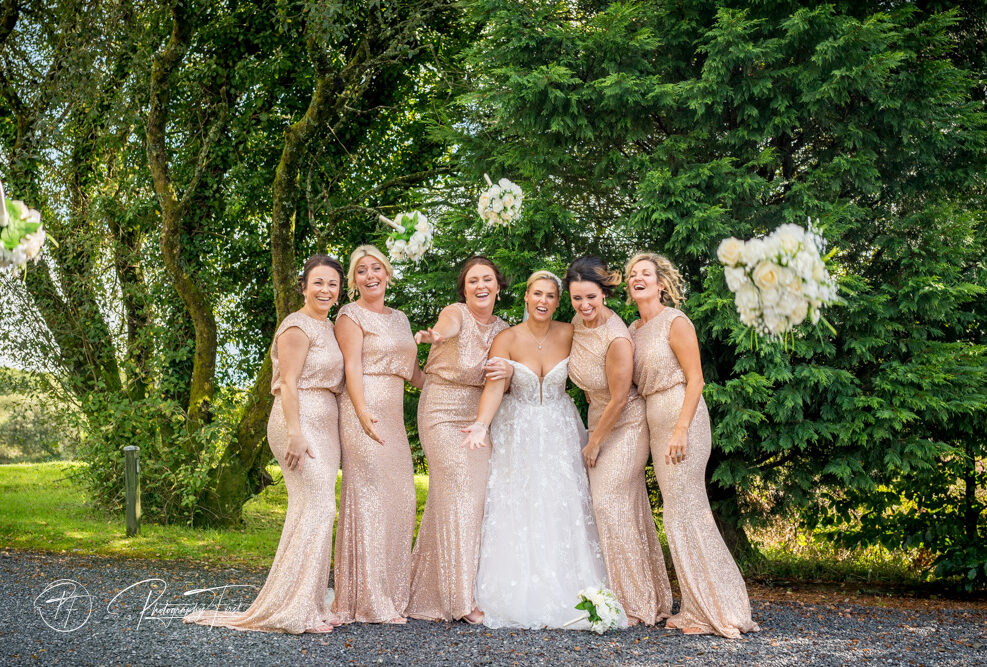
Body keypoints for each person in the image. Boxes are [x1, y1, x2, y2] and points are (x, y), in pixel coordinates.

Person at [184, 255, 346, 634]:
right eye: (318, 282)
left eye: (333, 284)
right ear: (303, 286)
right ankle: (293, 607)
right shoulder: (296, 326)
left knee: (314, 508)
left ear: (339, 291)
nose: (325, 290)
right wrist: (295, 432)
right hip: (298, 423)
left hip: (325, 425)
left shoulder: (330, 327)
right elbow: (288, 383)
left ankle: (306, 600)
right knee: (319, 507)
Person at [464, 270, 619, 630]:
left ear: (557, 301)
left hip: (559, 428)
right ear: (526, 297)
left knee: (560, 502)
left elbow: (603, 339)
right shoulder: (506, 338)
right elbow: (493, 388)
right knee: (516, 502)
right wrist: (481, 425)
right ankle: (513, 589)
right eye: (537, 294)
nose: (543, 301)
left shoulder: (571, 332)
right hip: (516, 430)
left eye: (551, 296)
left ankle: (569, 586)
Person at [626, 251, 760, 638]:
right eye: (633, 274)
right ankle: (701, 604)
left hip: (682, 416)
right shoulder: (634, 329)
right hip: (654, 418)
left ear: (661, 284)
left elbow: (697, 379)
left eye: (645, 273)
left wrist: (682, 428)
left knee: (686, 510)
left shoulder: (675, 321)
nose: (638, 278)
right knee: (679, 513)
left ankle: (718, 607)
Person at [565, 256, 673, 626]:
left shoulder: (616, 336)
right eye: (577, 298)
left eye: (591, 297)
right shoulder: (578, 325)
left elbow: (619, 397)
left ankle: (637, 605)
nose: (585, 306)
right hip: (598, 421)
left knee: (609, 503)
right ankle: (647, 597)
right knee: (623, 508)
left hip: (625, 425)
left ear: (605, 294)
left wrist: (594, 442)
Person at [406, 257, 512, 624]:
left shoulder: (503, 329)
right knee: (460, 492)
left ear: (498, 286)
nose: (480, 285)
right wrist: (435, 335)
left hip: (479, 416)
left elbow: (509, 375)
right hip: (440, 408)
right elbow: (446, 328)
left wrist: (511, 369)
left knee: (465, 499)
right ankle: (461, 600)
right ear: (464, 289)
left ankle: (430, 589)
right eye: (472, 281)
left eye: (487, 279)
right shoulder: (454, 313)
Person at [331, 245, 424, 624]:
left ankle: (393, 592)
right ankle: (368, 599)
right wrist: (362, 411)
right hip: (362, 412)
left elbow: (416, 375)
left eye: (376, 269)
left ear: (387, 274)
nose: (370, 276)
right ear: (354, 282)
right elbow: (351, 368)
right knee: (368, 498)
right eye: (362, 271)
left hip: (393, 415)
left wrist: (455, 381)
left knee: (400, 499)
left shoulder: (401, 319)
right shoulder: (349, 315)